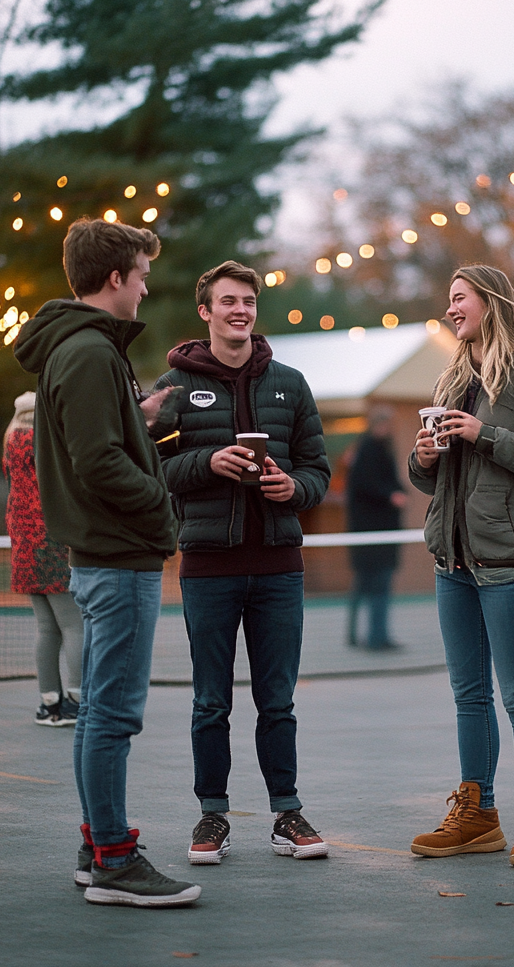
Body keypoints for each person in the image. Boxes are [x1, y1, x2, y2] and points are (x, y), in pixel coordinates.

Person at [14, 217, 200, 908]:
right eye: (143, 275)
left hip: (106, 551)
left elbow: (98, 439)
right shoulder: (89, 352)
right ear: (115, 278)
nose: (148, 288)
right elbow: (96, 461)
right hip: (117, 555)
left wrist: (140, 416)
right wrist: (160, 506)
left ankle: (100, 847)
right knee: (114, 713)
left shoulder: (82, 351)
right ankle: (115, 861)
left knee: (100, 711)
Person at [154, 259, 332, 866]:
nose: (240, 311)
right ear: (205, 311)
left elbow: (318, 470)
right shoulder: (172, 387)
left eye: (248, 303)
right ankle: (212, 816)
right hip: (208, 568)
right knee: (211, 702)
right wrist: (208, 463)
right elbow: (149, 470)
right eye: (228, 301)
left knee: (277, 700)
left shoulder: (290, 382)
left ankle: (287, 812)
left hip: (280, 568)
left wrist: (296, 490)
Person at [407, 264, 514, 870]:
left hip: (508, 562)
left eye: (460, 299)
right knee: (468, 695)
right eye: (448, 300)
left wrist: (483, 435)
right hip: (452, 559)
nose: (451, 309)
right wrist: (424, 456)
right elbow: (431, 477)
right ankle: (477, 815)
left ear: (490, 302)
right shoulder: (454, 376)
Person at [3, 390, 84, 727]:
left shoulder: (10, 445)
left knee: (46, 628)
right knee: (74, 625)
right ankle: (77, 701)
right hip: (53, 541)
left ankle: (48, 702)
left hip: (23, 545)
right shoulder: (46, 443)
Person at [346, 405, 407, 650]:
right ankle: (376, 638)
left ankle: (367, 636)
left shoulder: (371, 449)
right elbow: (368, 485)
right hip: (374, 533)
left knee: (365, 585)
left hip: (372, 533)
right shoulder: (371, 449)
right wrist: (392, 495)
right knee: (377, 584)